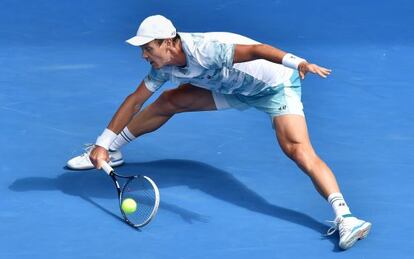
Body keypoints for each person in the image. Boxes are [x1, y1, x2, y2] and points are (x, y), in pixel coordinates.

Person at [67, 15, 371, 249]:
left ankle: (346, 218)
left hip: (273, 86)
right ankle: (115, 150)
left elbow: (255, 50)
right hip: (231, 88)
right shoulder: (164, 66)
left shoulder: (206, 50)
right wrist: (102, 144)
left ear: (168, 43)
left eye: (148, 49)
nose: (144, 56)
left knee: (296, 150)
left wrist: (297, 61)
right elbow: (135, 100)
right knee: (169, 100)